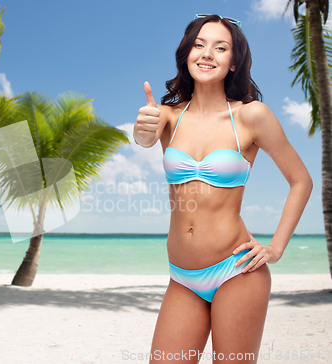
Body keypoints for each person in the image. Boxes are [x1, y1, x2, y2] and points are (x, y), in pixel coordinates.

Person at [133, 14, 313, 363]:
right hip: (182, 277)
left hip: (236, 271)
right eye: (199, 45)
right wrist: (142, 129)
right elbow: (144, 137)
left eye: (220, 47)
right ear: (187, 53)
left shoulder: (251, 116)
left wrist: (276, 247)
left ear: (233, 62)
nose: (207, 54)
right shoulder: (168, 116)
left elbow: (300, 180)